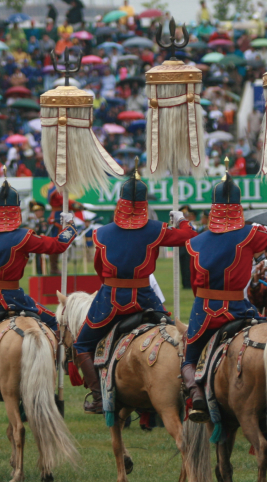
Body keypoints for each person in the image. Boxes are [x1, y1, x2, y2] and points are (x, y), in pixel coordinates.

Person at [181, 172, 267, 421]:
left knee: (188, 356)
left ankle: (195, 395)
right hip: (237, 308)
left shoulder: (195, 243)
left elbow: (195, 285)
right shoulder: (250, 233)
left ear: (212, 207)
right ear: (239, 207)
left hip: (204, 310)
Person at [73, 172, 198, 414]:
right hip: (145, 299)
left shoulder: (101, 233)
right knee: (179, 337)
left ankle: (99, 396)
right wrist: (181, 221)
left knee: (82, 344)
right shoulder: (156, 229)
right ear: (145, 203)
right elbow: (190, 237)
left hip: (110, 299)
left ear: (119, 201)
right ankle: (191, 389)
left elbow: (101, 269)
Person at [0, 181, 77, 398]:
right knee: (54, 323)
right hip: (14, 299)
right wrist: (70, 228)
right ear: (17, 210)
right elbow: (57, 246)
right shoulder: (24, 236)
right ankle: (64, 363)